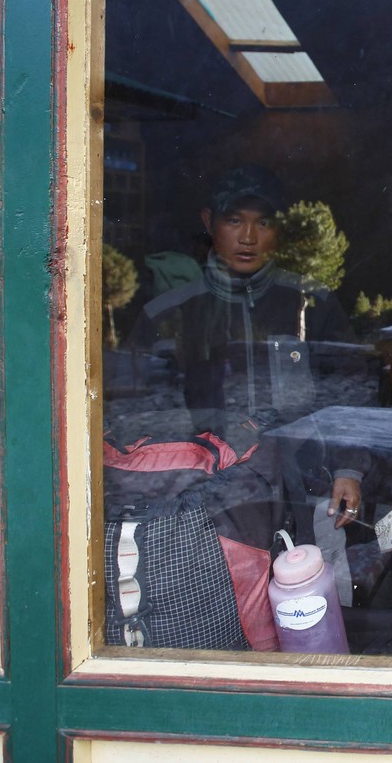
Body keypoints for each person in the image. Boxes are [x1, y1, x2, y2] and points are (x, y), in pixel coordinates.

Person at [128, 165, 365, 529]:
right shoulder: (168, 313)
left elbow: (349, 395)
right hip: (200, 502)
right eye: (235, 220)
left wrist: (348, 469)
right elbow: (139, 417)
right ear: (209, 222)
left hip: (305, 493)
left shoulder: (313, 303)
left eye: (264, 223)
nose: (249, 237)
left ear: (278, 230)